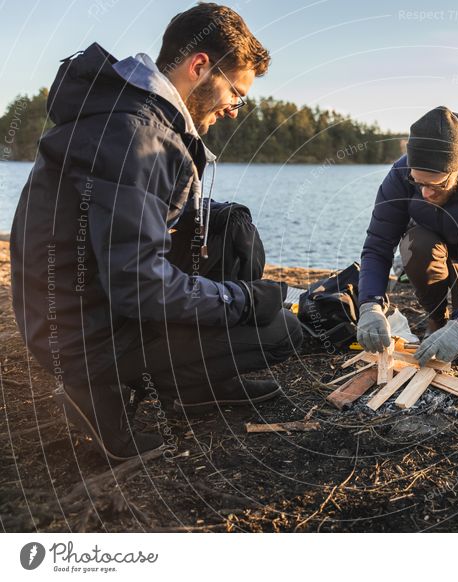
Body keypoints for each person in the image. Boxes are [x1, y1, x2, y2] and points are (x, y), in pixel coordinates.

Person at [10, 3, 302, 461]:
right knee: (280, 330)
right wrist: (241, 300)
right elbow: (138, 286)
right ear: (199, 66)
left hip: (86, 301)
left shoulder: (137, 114)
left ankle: (205, 387)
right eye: (236, 93)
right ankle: (97, 394)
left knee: (230, 225)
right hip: (77, 332)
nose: (234, 109)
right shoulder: (139, 135)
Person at [357, 106, 458, 365]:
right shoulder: (400, 174)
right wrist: (370, 304)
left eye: (436, 185)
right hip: (430, 248)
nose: (425, 194)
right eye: (418, 183)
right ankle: (436, 318)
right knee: (415, 242)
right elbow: (378, 244)